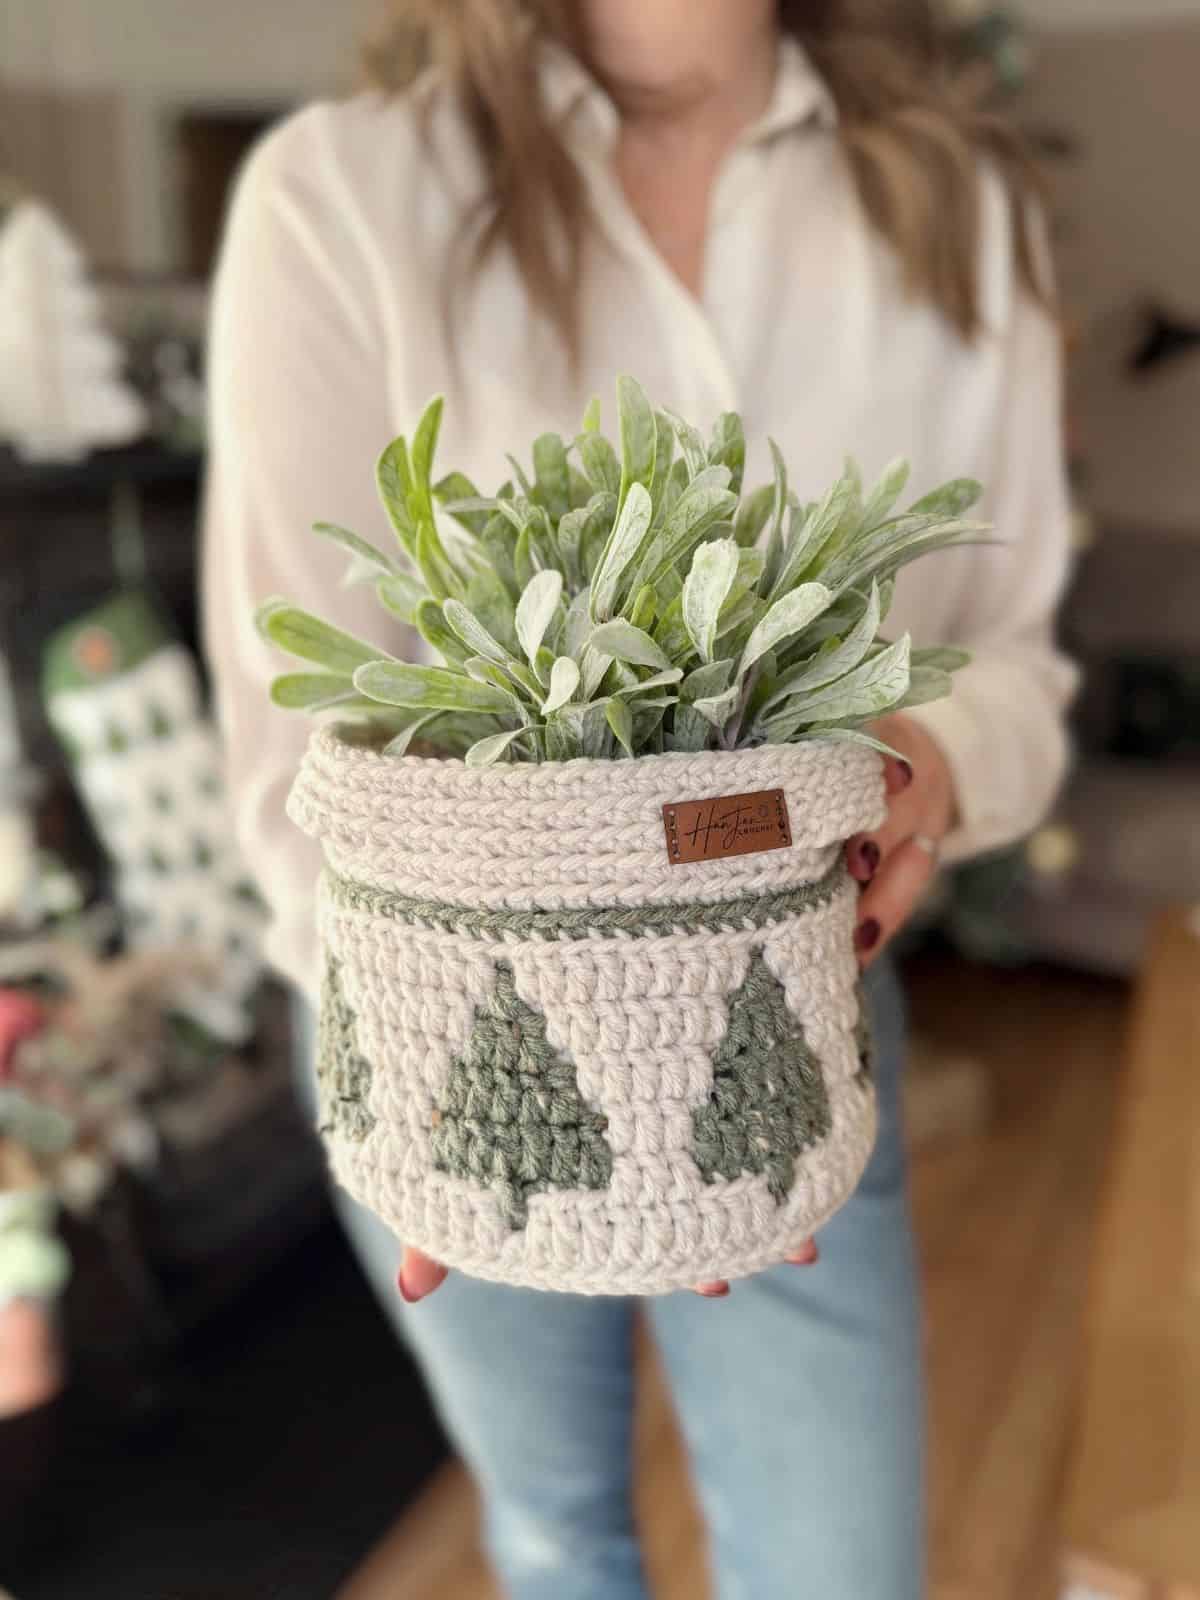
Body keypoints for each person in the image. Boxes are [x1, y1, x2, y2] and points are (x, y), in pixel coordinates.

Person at [202, 3, 1077, 1595]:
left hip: (791, 996)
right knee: (554, 1539)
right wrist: (410, 1048)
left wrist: (921, 764)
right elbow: (296, 745)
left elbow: (1017, 664)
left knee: (840, 1570)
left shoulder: (956, 208)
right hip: (447, 1022)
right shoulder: (343, 192)